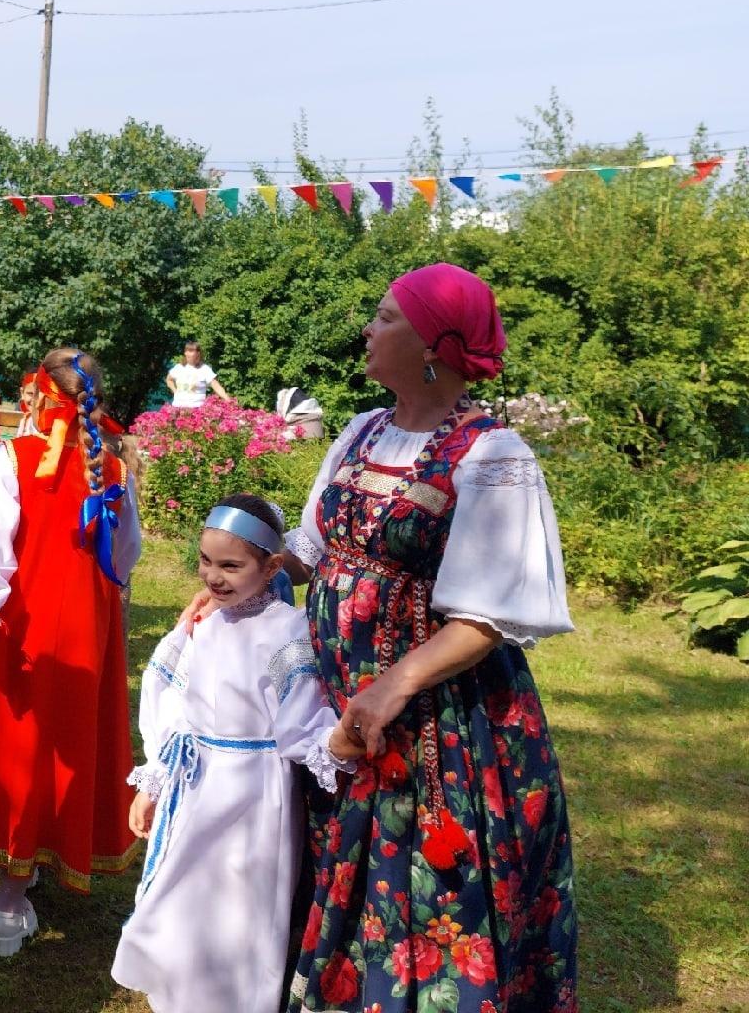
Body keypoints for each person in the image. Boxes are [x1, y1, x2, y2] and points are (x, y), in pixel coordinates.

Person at [283, 263, 578, 1013]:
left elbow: (487, 615)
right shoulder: (361, 432)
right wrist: (235, 580)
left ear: (432, 347)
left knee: (426, 882)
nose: (367, 329)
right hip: (338, 698)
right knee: (331, 855)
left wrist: (394, 685)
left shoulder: (493, 454)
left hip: (439, 721)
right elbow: (309, 548)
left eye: (385, 317)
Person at [111, 496, 362, 1013]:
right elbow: (176, 702)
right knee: (184, 893)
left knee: (241, 902)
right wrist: (156, 781)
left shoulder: (285, 631)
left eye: (230, 566)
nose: (214, 577)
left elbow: (299, 719)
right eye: (206, 561)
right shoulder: (205, 622)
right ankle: (181, 989)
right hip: (198, 781)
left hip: (254, 791)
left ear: (271, 567)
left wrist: (334, 743)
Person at [0, 348, 143, 956]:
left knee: (18, 742)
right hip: (86, 633)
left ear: (36, 397)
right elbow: (127, 558)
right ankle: (27, 879)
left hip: (19, 628)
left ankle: (6, 897)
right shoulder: (109, 469)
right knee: (65, 743)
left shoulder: (14, 459)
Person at [164, 340, 226, 408]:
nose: (188, 353)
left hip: (196, 412)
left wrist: (228, 400)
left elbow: (216, 386)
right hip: (177, 409)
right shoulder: (178, 367)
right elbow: (169, 379)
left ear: (198, 353)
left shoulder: (205, 369)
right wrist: (175, 391)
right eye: (187, 351)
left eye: (191, 351)